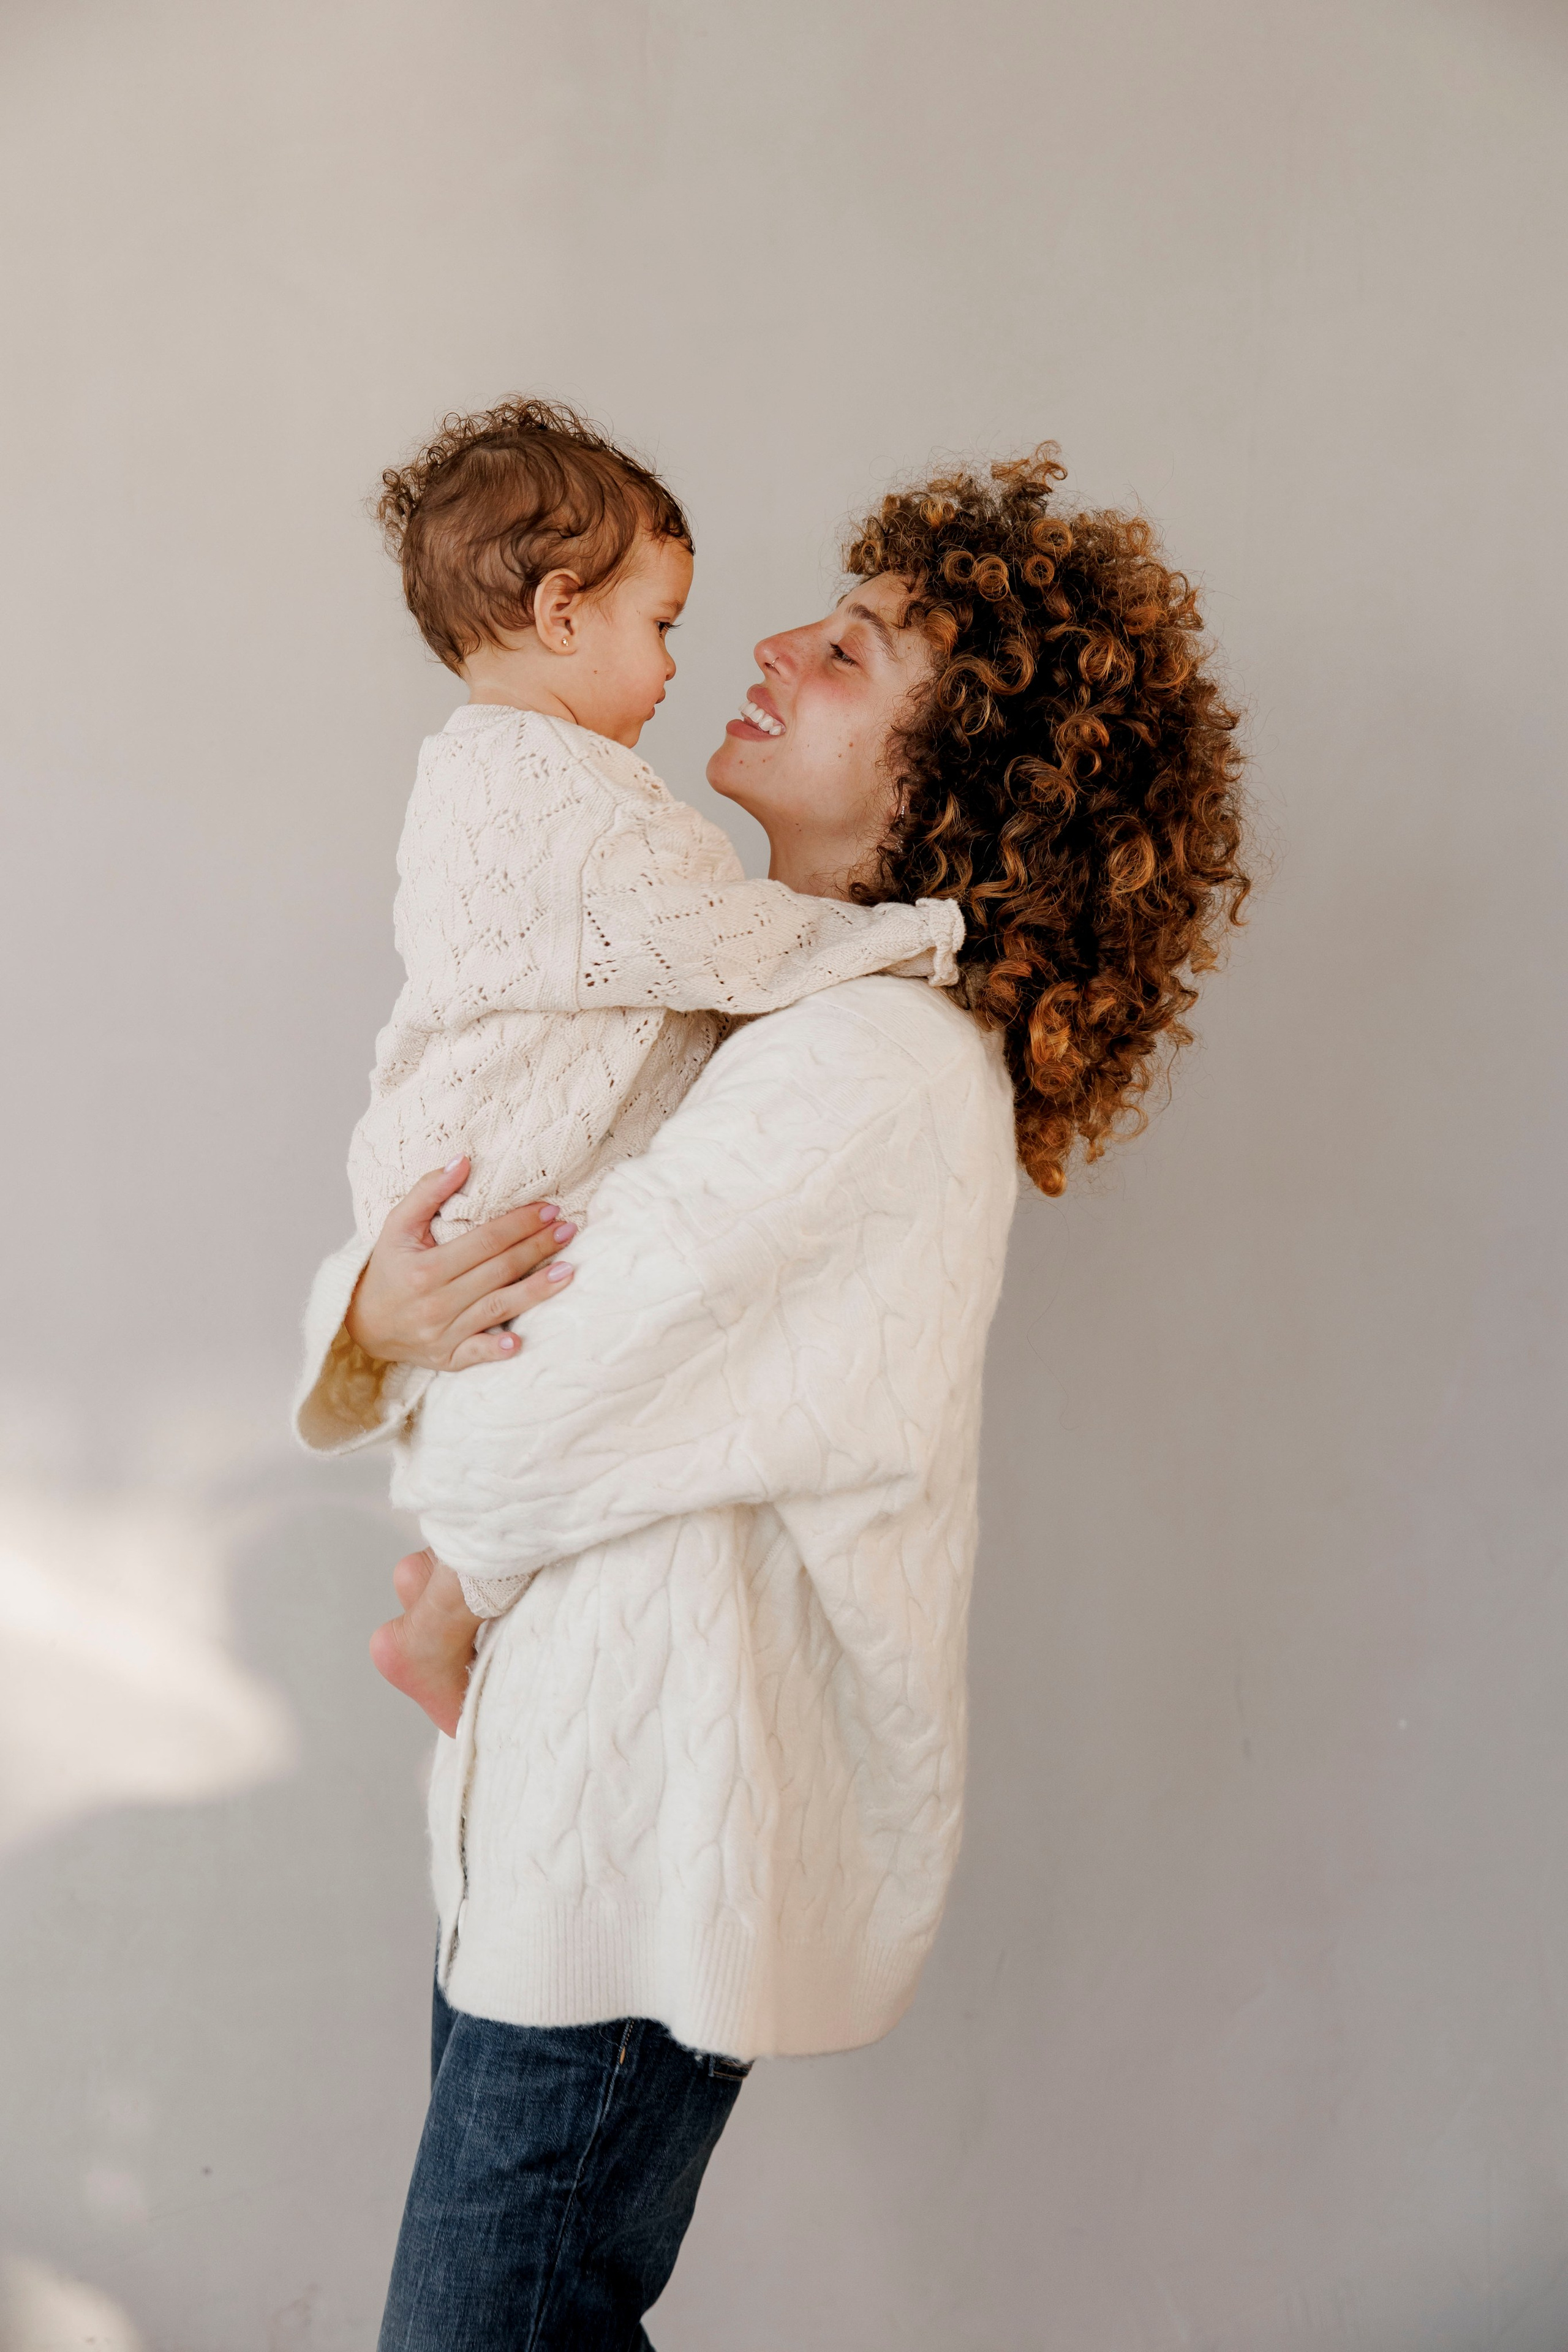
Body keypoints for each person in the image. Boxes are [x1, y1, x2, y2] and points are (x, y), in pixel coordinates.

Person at [294, 446, 1250, 2349]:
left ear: (948, 774)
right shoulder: (757, 1029)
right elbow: (481, 1264)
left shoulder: (878, 1066)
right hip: (572, 1831)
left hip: (641, 1858)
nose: (776, 646)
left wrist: (408, 1365)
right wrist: (386, 1311)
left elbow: (507, 1412)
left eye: (856, 650)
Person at [304, 395, 966, 1733]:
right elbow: (714, 939)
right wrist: (914, 934)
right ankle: (443, 1607)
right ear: (561, 614)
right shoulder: (568, 804)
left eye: (844, 652)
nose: (704, 659)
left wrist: (377, 1314)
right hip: (480, 1195)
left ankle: (443, 1604)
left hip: (614, 1705)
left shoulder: (875, 1065)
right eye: (659, 625)